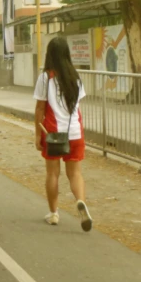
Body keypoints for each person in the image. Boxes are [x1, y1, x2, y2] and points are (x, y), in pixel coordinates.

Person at [34, 36, 93, 232]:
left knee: (53, 173)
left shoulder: (45, 78)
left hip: (53, 134)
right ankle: (81, 202)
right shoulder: (76, 77)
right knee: (75, 173)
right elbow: (78, 108)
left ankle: (53, 213)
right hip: (75, 132)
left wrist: (37, 135)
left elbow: (40, 109)